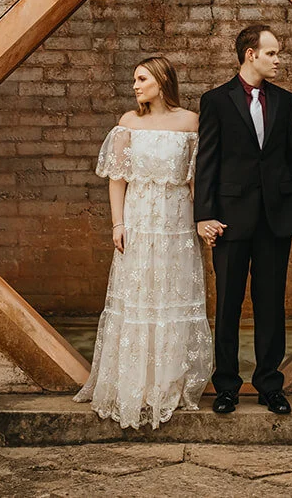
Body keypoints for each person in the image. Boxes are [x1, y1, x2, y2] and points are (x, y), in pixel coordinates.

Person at [74, 55, 212, 428]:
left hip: (176, 224)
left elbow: (196, 180)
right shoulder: (128, 124)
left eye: (141, 79)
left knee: (171, 297)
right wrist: (117, 224)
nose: (135, 86)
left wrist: (202, 220)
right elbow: (117, 179)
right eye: (135, 80)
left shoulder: (191, 122)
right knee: (138, 297)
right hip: (138, 222)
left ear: (162, 81)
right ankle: (134, 384)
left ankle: (167, 385)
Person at [194, 24, 292, 415]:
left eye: (277, 54)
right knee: (228, 303)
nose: (278, 60)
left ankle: (269, 384)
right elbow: (207, 161)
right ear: (250, 54)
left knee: (271, 303)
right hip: (230, 219)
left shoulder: (285, 101)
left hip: (275, 219)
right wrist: (204, 215)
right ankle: (226, 386)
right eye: (272, 53)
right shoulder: (216, 100)